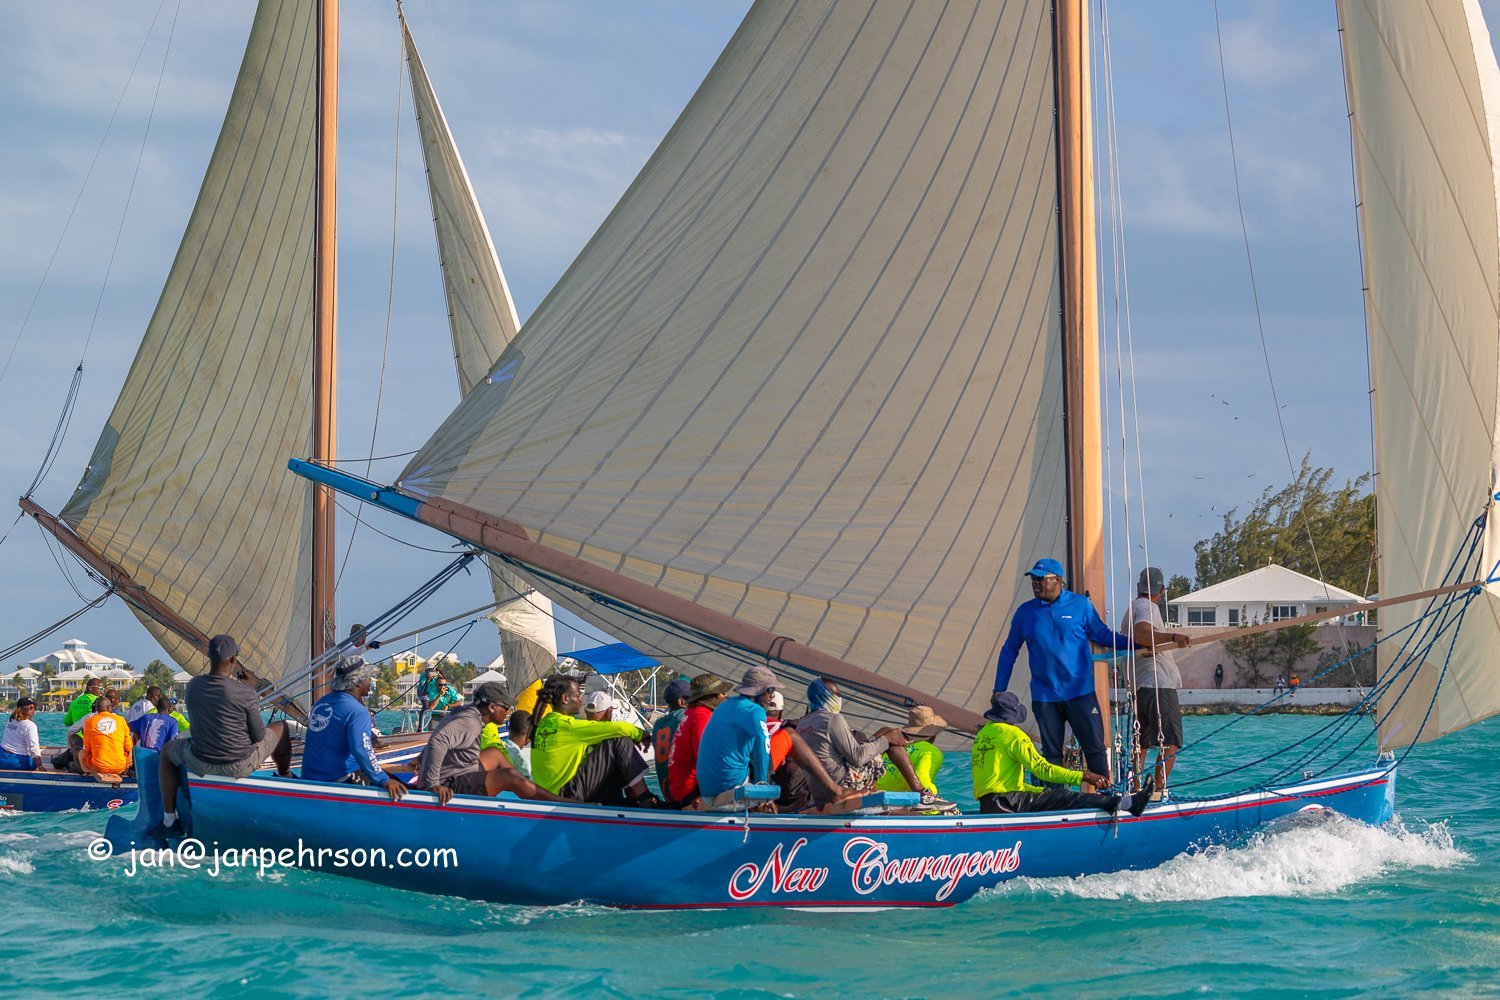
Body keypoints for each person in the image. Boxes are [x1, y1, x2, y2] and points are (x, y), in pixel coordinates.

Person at [993, 557, 1137, 783]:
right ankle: (1056, 803)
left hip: (1080, 694)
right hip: (1045, 697)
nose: (1035, 584)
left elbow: (1103, 636)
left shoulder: (1080, 605)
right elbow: (1009, 651)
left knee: (1095, 749)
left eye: (1041, 579)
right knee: (1051, 755)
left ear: (1058, 580)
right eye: (1033, 579)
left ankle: (1106, 797)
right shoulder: (1025, 613)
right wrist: (999, 688)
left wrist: (1137, 644)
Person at [150, 634, 293, 839]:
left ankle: (169, 820)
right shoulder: (245, 693)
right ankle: (285, 776)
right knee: (281, 728)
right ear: (234, 660)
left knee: (166, 752)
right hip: (238, 766)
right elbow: (258, 735)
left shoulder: (193, 687)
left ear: (209, 657)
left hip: (200, 762)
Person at [973, 691, 1151, 816]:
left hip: (989, 805)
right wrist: (1084, 775)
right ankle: (1129, 805)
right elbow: (1042, 769)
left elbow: (1001, 784)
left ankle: (1122, 802)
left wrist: (1041, 791)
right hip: (1007, 803)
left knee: (1050, 794)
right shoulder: (1013, 735)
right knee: (1063, 796)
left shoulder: (983, 734)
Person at [797, 678, 953, 810]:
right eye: (837, 693)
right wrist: (886, 740)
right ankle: (922, 794)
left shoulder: (802, 724)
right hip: (844, 783)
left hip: (819, 791)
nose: (839, 697)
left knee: (886, 732)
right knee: (892, 740)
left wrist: (883, 738)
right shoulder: (832, 719)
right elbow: (857, 757)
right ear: (826, 696)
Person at [418, 682, 564, 805]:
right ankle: (558, 803)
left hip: (454, 774)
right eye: (505, 707)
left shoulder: (470, 714)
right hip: (449, 785)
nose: (508, 712)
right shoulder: (470, 722)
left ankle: (525, 788)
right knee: (508, 776)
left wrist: (419, 761)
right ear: (492, 707)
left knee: (494, 754)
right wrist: (433, 786)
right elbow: (437, 743)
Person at [530, 675, 656, 805]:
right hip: (565, 795)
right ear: (565, 698)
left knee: (608, 747)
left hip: (547, 795)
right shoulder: (569, 726)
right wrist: (642, 735)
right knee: (619, 740)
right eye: (578, 695)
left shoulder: (543, 724)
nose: (580, 700)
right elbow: (619, 728)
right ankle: (645, 798)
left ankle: (622, 803)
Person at [1120, 567, 1191, 793]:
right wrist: (1171, 636)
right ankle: (1159, 790)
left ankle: (1136, 788)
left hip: (1141, 686)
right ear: (1161, 589)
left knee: (1141, 741)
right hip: (1158, 683)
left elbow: (1139, 639)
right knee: (1171, 740)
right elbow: (1142, 634)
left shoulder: (1130, 610)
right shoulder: (1147, 607)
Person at [301, 656, 407, 802]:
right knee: (403, 787)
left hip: (309, 778)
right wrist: (382, 780)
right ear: (359, 682)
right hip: (338, 780)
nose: (370, 682)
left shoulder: (322, 702)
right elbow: (361, 749)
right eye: (368, 677)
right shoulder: (358, 711)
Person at [667, 674, 733, 805]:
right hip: (690, 791)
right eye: (723, 693)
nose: (726, 696)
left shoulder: (691, 713)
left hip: (678, 786)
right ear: (712, 697)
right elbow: (705, 759)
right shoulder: (702, 717)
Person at [874, 705, 947, 796]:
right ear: (934, 733)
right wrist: (933, 793)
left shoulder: (893, 742)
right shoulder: (931, 751)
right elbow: (922, 779)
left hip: (873, 795)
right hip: (900, 803)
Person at [650, 677, 692, 797]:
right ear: (681, 702)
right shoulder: (686, 717)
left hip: (667, 792)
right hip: (684, 792)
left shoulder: (658, 724)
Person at [80, 695, 133, 783]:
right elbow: (128, 746)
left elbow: (87, 748)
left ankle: (88, 773)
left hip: (98, 766)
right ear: (109, 707)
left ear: (97, 709)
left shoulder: (90, 721)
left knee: (81, 753)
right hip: (120, 766)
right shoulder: (121, 720)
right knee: (129, 750)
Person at [0, 698, 41, 771]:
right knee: (34, 761)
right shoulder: (30, 725)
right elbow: (34, 748)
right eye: (31, 707)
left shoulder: (11, 719)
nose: (33, 710)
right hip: (16, 763)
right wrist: (40, 766)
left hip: (1, 759)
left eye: (34, 708)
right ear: (22, 709)